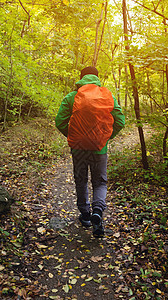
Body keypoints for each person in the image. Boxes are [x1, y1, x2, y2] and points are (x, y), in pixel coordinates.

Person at [55, 66, 125, 237]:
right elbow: (120, 121)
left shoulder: (72, 97)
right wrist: (105, 138)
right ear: (97, 78)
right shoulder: (107, 96)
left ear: (81, 78)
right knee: (100, 182)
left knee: (81, 180)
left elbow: (59, 122)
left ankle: (85, 215)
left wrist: (73, 136)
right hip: (99, 149)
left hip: (78, 148)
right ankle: (98, 214)